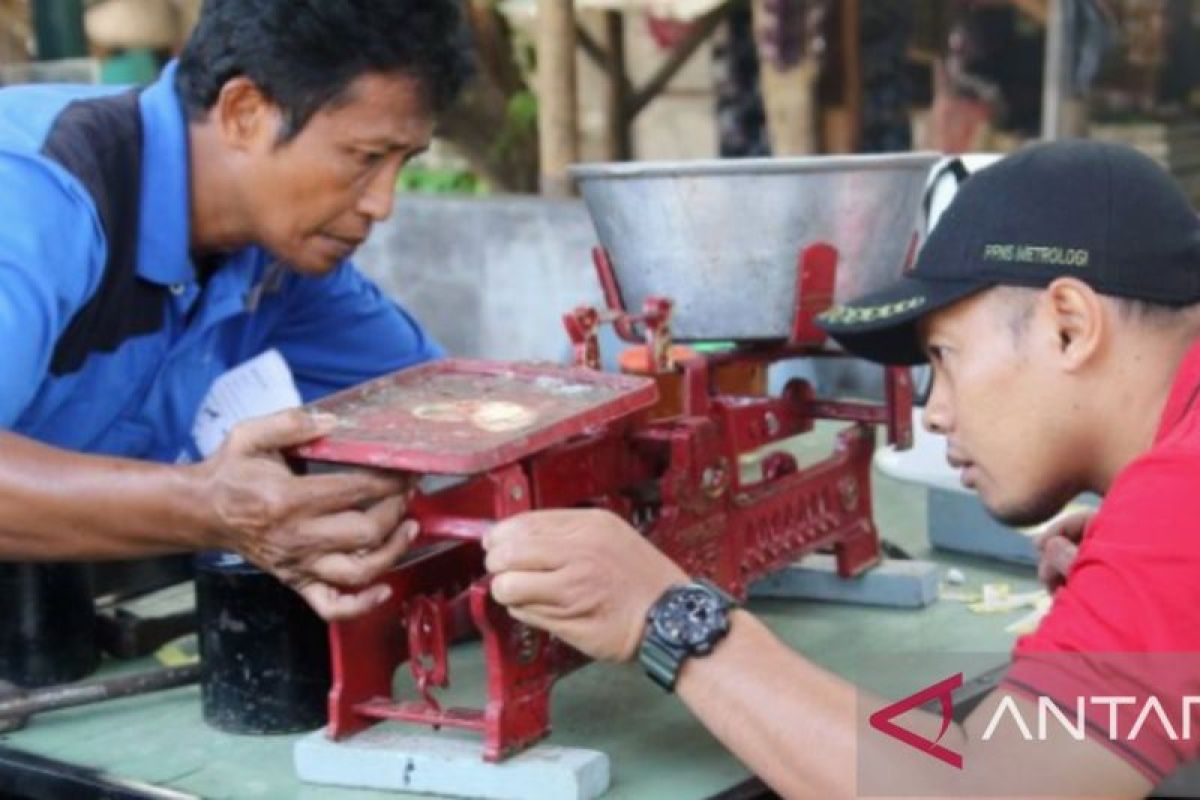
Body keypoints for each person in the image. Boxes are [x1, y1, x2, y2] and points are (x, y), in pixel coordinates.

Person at [484, 140, 1200, 796]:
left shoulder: (1181, 500)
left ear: (1068, 326)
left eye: (943, 357)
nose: (936, 413)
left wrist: (668, 614)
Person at [0, 0, 473, 621]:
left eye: (402, 164)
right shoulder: (39, 193)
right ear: (244, 112)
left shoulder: (280, 256)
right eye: (363, 157)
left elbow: (452, 412)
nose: (383, 203)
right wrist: (209, 505)